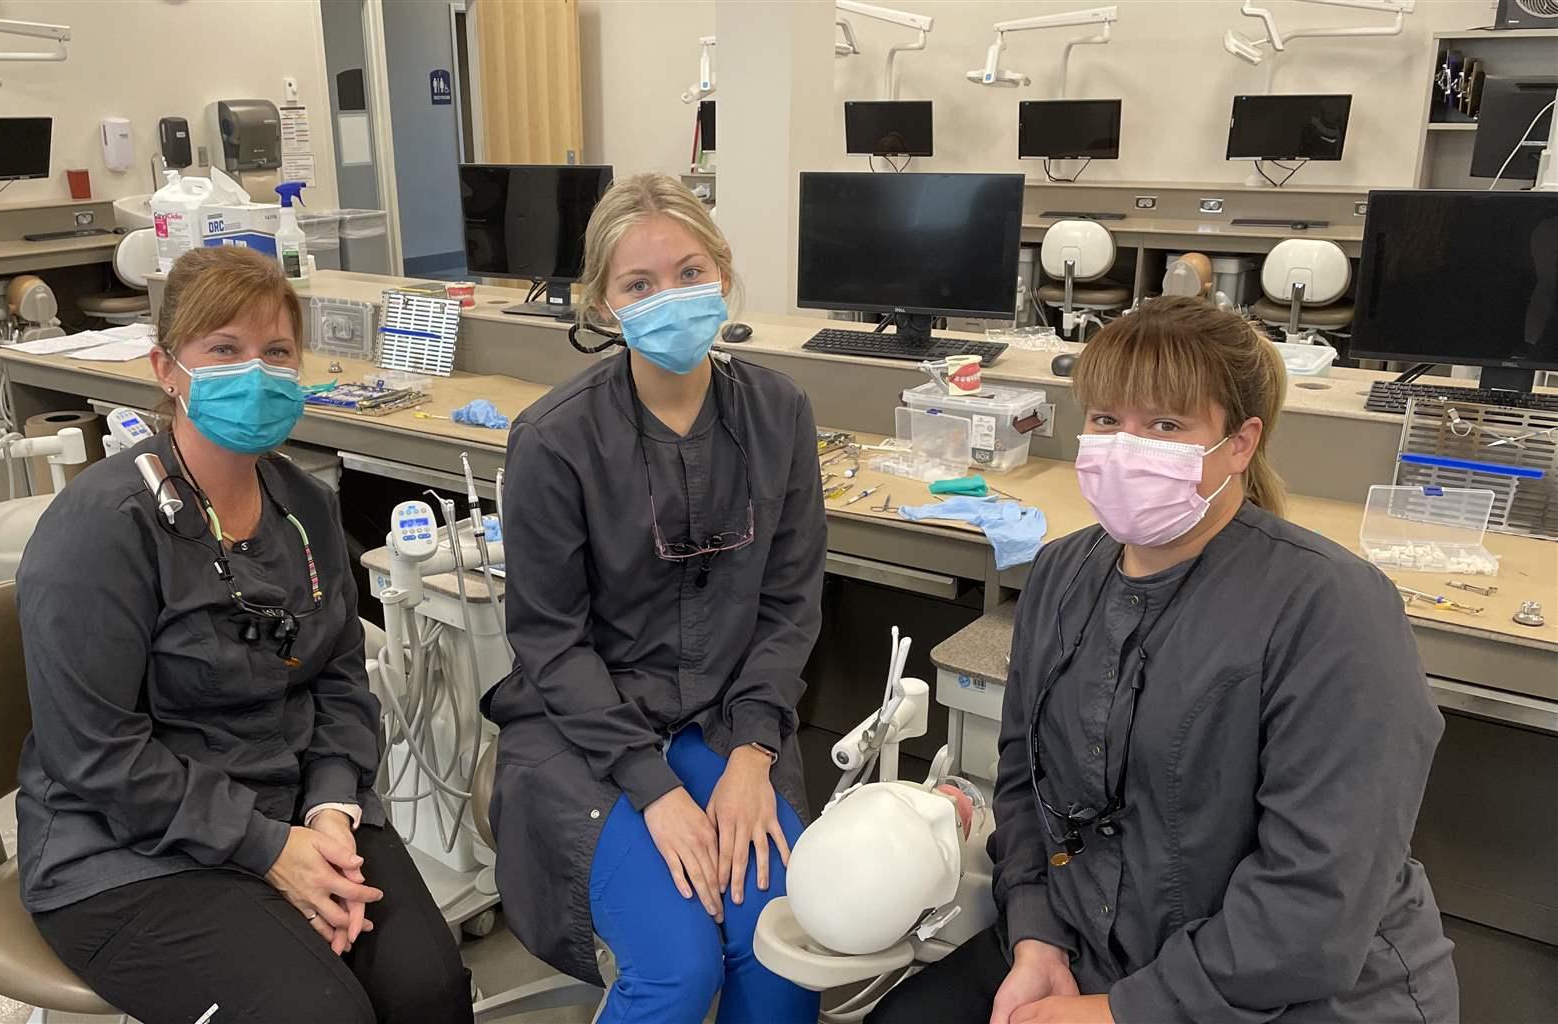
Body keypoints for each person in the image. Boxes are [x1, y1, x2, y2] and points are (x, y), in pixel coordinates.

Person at [870, 298, 1457, 1024]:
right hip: (1090, 939)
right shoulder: (1060, 574)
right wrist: (1037, 936)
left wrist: (1120, 1013)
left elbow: (1315, 898)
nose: (1125, 446)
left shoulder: (1331, 609)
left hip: (1286, 992)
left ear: (1240, 443)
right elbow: (1023, 779)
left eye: (1166, 425)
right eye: (1107, 420)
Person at [14, 247, 473, 1024]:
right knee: (323, 1015)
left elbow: (337, 677)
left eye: (276, 352)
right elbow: (95, 753)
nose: (254, 373)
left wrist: (331, 809)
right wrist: (265, 848)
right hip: (128, 846)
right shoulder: (101, 530)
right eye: (223, 350)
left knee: (429, 989)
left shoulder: (303, 506)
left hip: (295, 804)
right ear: (167, 370)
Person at [482, 173, 827, 1023]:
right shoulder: (555, 442)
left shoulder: (779, 414)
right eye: (639, 285)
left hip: (726, 723)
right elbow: (551, 644)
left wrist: (752, 758)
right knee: (677, 968)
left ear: (722, 272)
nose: (669, 298)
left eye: (688, 272)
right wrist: (655, 788)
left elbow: (789, 608)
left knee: (781, 951)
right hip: (584, 732)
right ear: (602, 304)